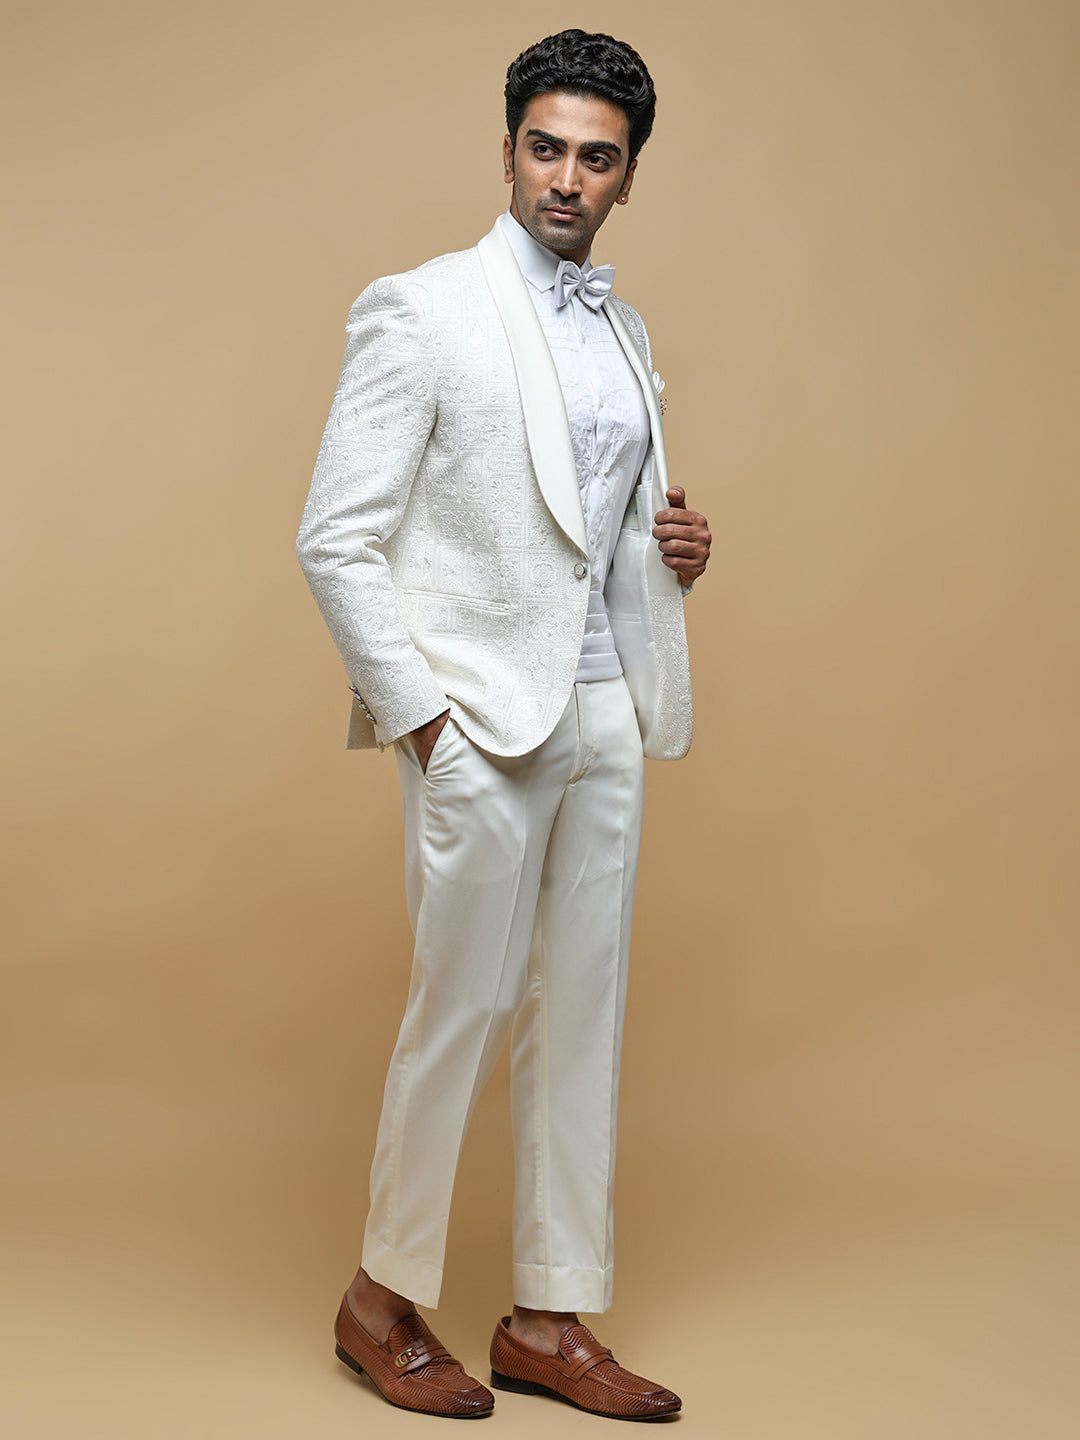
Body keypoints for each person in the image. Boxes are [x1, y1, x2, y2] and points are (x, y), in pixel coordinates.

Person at [297, 28, 711, 1421]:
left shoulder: (626, 332)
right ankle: (377, 1305)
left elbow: (592, 529)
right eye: (547, 148)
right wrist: (425, 721)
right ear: (511, 151)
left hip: (605, 707)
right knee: (463, 1008)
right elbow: (335, 536)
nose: (566, 178)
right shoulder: (422, 309)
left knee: (581, 1009)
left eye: (597, 158)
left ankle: (547, 1316)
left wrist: (672, 551)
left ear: (627, 177)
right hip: (478, 717)